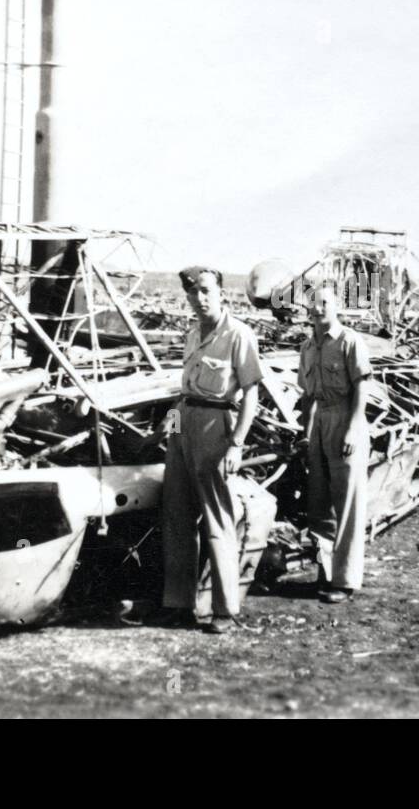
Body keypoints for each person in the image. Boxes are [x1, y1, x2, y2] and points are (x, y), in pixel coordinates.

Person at [160, 266, 265, 634]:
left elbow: (251, 392)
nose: (199, 299)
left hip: (215, 428)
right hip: (183, 426)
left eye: (205, 291)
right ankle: (178, 603)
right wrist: (169, 429)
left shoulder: (238, 335)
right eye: (193, 293)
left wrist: (237, 442)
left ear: (222, 292)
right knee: (176, 517)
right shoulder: (192, 333)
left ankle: (224, 609)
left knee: (218, 520)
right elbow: (184, 393)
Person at [298, 281, 372, 603]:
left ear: (336, 305)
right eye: (313, 304)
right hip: (319, 424)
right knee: (319, 504)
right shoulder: (308, 347)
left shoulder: (349, 341)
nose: (318, 309)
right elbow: (308, 396)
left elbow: (362, 388)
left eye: (324, 303)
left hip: (345, 419)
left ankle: (345, 580)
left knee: (347, 505)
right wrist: (306, 433)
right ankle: (326, 572)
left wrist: (354, 429)